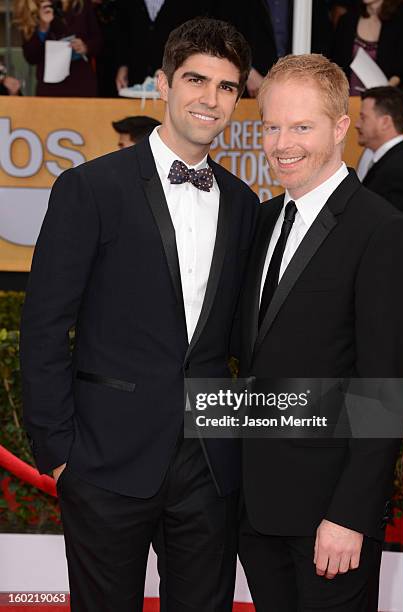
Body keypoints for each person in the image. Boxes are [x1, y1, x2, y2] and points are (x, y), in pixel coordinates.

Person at [20, 17, 257, 611]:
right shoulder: (91, 188)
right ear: (163, 84)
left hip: (208, 462)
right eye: (196, 80)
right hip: (104, 459)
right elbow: (44, 325)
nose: (210, 99)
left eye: (226, 87)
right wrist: (59, 450)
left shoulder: (244, 202)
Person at [237, 54, 403, 611]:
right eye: (271, 126)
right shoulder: (263, 220)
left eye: (301, 127)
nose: (281, 143)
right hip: (255, 511)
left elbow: (385, 388)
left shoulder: (383, 232)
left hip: (330, 521)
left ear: (341, 128)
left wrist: (349, 515)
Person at [356, 86, 403, 337]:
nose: (357, 124)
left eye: (363, 117)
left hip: (393, 301)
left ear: (385, 121)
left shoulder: (402, 168)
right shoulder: (395, 163)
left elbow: (396, 239)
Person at [222, 0, 333, 97]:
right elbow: (223, 32)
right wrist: (247, 72)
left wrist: (309, 78)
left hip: (299, 85)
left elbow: (322, 39)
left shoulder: (310, 4)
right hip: (248, 87)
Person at [115, 0, 214, 93]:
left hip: (176, 75)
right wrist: (123, 65)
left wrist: (173, 67)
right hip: (136, 77)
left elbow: (197, 37)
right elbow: (124, 32)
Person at [332, 0, 403, 94]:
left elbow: (402, 67)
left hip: (384, 99)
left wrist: (382, 92)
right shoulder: (347, 20)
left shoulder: (402, 21)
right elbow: (335, 64)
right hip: (348, 98)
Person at [14, 0, 102, 97]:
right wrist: (43, 28)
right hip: (50, 89)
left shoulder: (82, 4)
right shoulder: (32, 5)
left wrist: (85, 47)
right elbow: (31, 57)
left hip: (82, 84)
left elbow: (98, 42)